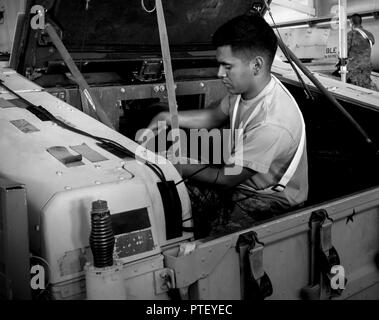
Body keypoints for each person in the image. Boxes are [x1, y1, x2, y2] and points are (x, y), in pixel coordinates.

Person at [141, 14, 308, 237]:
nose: (220, 74)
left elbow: (225, 179)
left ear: (256, 65)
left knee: (213, 245)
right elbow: (212, 117)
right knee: (172, 198)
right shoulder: (248, 89)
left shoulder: (272, 124)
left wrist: (176, 163)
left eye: (227, 66)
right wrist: (167, 117)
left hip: (268, 200)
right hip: (241, 181)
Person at [346, 13, 376, 90]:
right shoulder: (369, 35)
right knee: (365, 87)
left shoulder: (350, 34)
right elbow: (372, 43)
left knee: (354, 90)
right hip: (366, 66)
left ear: (351, 23)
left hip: (354, 68)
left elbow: (344, 53)